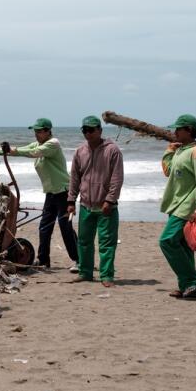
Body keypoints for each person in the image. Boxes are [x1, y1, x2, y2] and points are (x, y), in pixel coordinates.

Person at [0, 117, 79, 272]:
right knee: (44, 227)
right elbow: (18, 150)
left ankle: (78, 260)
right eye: (35, 131)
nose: (36, 134)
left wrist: (12, 149)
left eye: (39, 131)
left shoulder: (53, 144)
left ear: (48, 131)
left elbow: (32, 153)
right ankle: (44, 260)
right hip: (51, 193)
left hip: (64, 192)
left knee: (65, 226)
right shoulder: (37, 144)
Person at [159, 114, 196, 300]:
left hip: (187, 207)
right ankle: (187, 287)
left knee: (166, 241)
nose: (174, 132)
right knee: (183, 245)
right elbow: (168, 171)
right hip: (175, 204)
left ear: (188, 130)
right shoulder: (181, 150)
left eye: (178, 129)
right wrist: (169, 151)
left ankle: (191, 280)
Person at [67, 115, 124, 287]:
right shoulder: (80, 151)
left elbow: (117, 178)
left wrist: (110, 200)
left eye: (91, 130)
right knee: (84, 241)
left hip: (106, 206)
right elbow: (75, 178)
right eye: (85, 130)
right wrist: (71, 201)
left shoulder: (112, 150)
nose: (88, 133)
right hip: (86, 205)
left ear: (100, 130)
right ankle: (85, 272)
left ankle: (106, 276)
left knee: (106, 243)